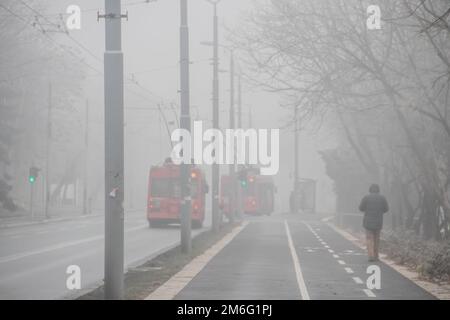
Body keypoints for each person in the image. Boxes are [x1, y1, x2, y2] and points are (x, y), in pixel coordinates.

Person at [359, 184, 389, 262]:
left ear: (370, 190)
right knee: (376, 239)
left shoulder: (366, 197)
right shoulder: (382, 198)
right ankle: (376, 256)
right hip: (378, 221)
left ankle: (370, 255)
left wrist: (367, 209)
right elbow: (386, 209)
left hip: (368, 222)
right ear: (378, 190)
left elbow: (361, 208)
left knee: (369, 239)